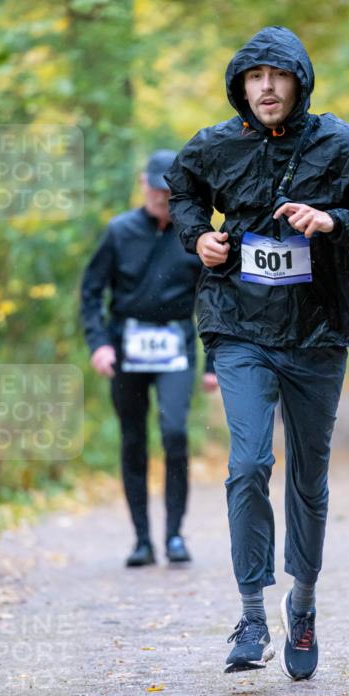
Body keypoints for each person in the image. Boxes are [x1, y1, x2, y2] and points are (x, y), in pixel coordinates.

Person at [166, 26, 349, 679]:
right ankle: (250, 614)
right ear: (240, 86)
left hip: (318, 331)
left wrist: (334, 223)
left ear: (298, 81)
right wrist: (199, 238)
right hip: (237, 322)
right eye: (254, 77)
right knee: (248, 463)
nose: (265, 87)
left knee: (306, 478)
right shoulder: (216, 144)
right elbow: (181, 189)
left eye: (278, 75)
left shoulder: (343, 146)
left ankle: (301, 605)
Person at [81, 150, 216, 568]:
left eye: (170, 188)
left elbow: (212, 300)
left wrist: (212, 363)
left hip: (175, 344)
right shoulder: (119, 231)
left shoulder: (194, 236)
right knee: (133, 439)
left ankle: (174, 535)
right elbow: (90, 292)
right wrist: (99, 343)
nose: (162, 194)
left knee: (174, 432)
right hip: (126, 345)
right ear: (143, 184)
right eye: (156, 186)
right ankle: (142, 539)